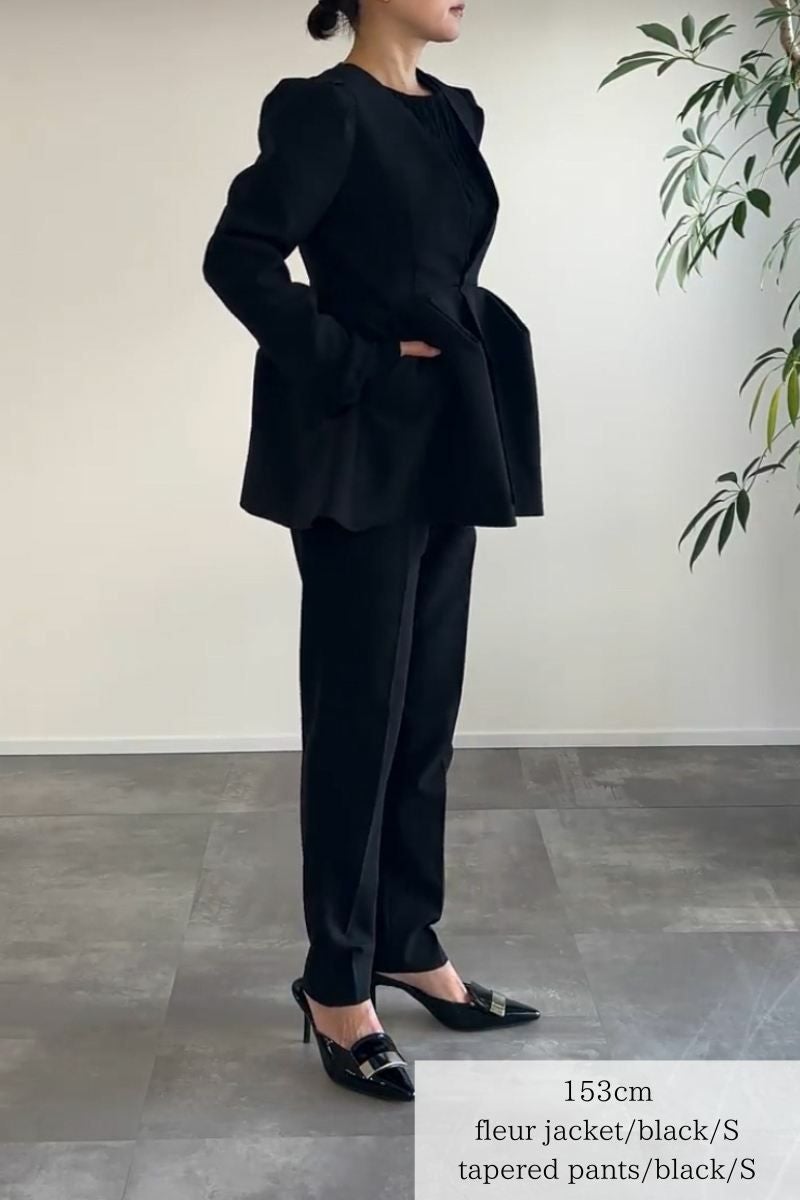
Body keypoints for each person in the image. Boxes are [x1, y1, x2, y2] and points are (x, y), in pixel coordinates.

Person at [202, 0, 544, 1103]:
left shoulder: (453, 110)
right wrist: (355, 355)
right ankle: (336, 982)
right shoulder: (322, 110)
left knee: (425, 707)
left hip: (449, 431)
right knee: (360, 715)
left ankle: (406, 938)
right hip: (358, 449)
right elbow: (238, 258)